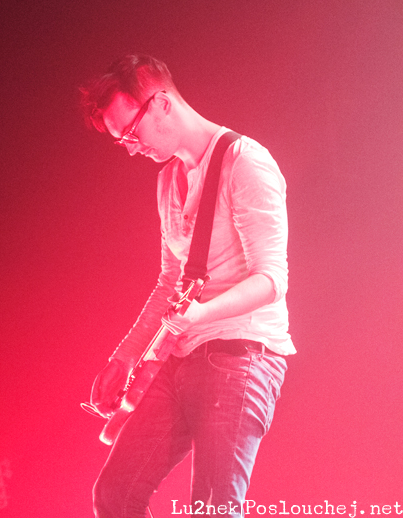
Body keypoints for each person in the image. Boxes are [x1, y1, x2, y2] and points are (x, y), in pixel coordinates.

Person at [80, 54, 295, 517]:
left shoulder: (246, 161)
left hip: (242, 356)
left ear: (160, 103)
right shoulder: (167, 181)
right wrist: (124, 356)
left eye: (131, 132)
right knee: (115, 494)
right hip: (182, 358)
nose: (131, 148)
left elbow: (271, 280)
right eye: (122, 141)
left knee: (213, 510)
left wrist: (200, 314)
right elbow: (169, 282)